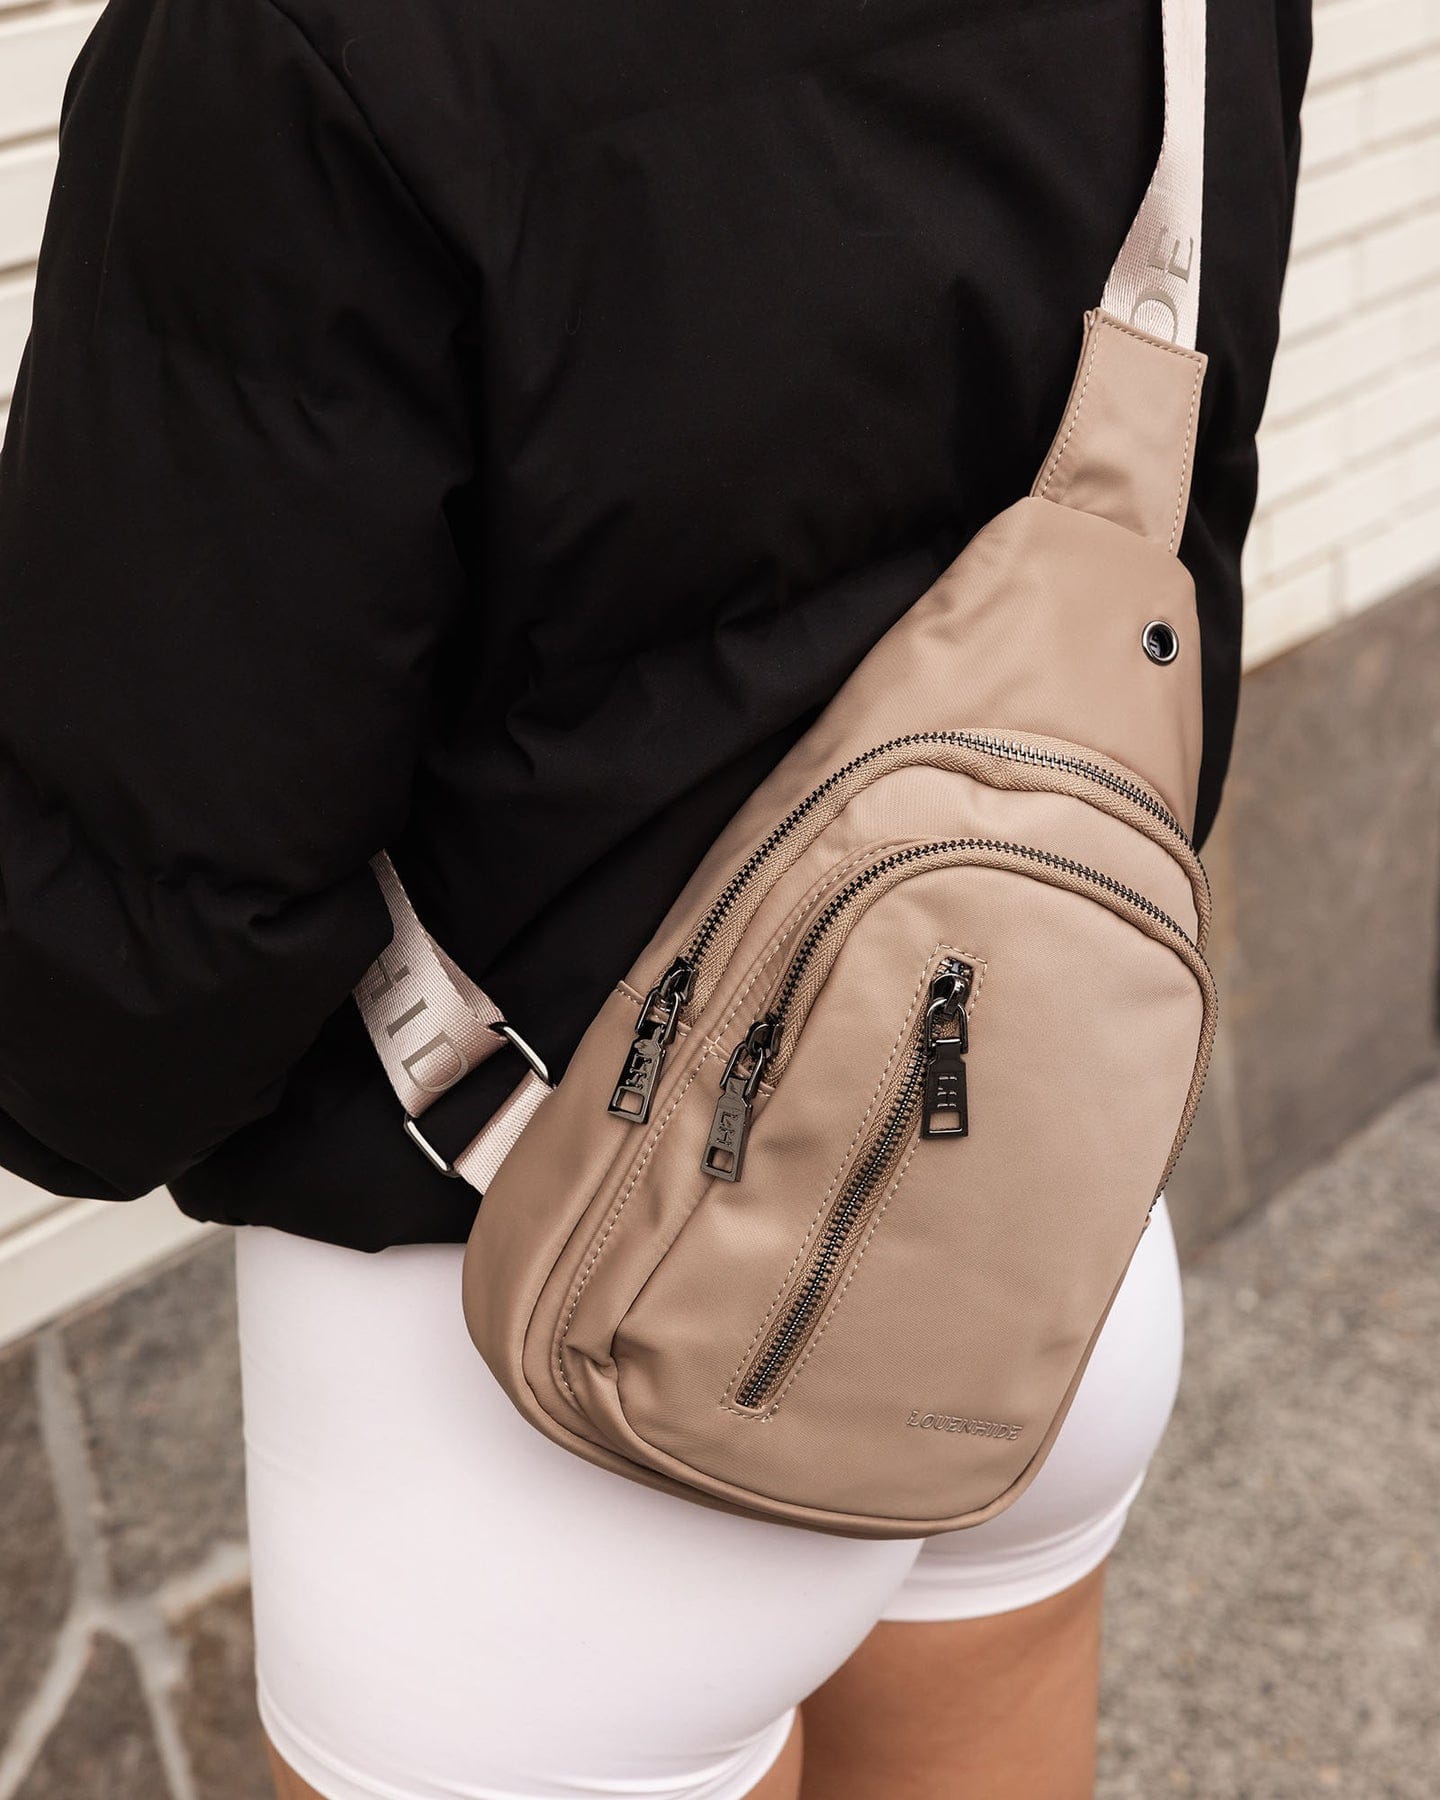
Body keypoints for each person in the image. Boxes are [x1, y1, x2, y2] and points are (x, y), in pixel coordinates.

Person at [0, 0, 1309, 1795]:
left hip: (533, 1383)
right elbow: (1167, 539)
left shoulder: (289, 42)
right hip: (1031, 1239)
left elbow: (142, 964)